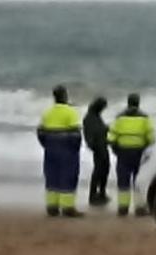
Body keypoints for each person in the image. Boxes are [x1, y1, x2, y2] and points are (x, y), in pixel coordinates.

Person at [36, 86, 83, 218]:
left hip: (50, 148)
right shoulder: (71, 112)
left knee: (52, 176)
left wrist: (46, 145)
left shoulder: (47, 112)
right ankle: (68, 207)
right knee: (68, 176)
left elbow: (40, 132)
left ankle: (52, 207)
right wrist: (76, 149)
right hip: (67, 148)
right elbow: (76, 134)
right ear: (65, 96)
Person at [109, 92, 156, 218]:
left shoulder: (119, 118)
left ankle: (123, 208)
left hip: (123, 153)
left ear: (128, 102)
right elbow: (151, 138)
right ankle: (139, 208)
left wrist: (116, 150)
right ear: (138, 103)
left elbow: (111, 137)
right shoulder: (144, 118)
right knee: (138, 181)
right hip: (139, 153)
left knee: (123, 181)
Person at [82, 97, 111, 209]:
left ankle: (102, 193)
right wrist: (93, 144)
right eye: (103, 107)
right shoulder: (89, 118)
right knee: (99, 170)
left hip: (102, 145)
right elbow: (92, 133)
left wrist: (106, 129)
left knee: (105, 169)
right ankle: (93, 196)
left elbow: (99, 130)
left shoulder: (95, 116)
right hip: (98, 147)